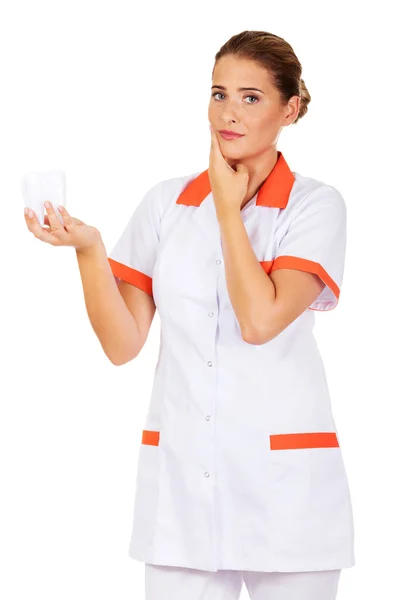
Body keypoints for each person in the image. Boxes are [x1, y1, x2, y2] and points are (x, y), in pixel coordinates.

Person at [24, 29, 355, 600]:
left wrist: (227, 208)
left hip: (286, 495)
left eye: (251, 97)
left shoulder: (315, 205)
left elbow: (260, 321)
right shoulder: (165, 204)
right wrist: (90, 250)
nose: (228, 113)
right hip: (182, 489)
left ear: (290, 108)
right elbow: (123, 344)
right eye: (218, 93)